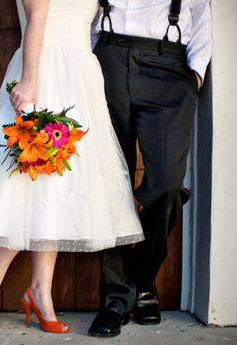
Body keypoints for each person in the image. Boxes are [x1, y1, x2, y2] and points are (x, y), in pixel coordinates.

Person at [0, 0, 144, 333]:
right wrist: (29, 81)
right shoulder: (36, 74)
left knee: (60, 187)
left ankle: (40, 290)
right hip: (43, 70)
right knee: (30, 180)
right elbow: (36, 18)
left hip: (81, 75)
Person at [88, 0, 212, 338]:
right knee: (111, 184)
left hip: (171, 64)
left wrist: (196, 71)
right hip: (109, 58)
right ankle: (117, 299)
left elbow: (201, 10)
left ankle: (136, 280)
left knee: (168, 186)